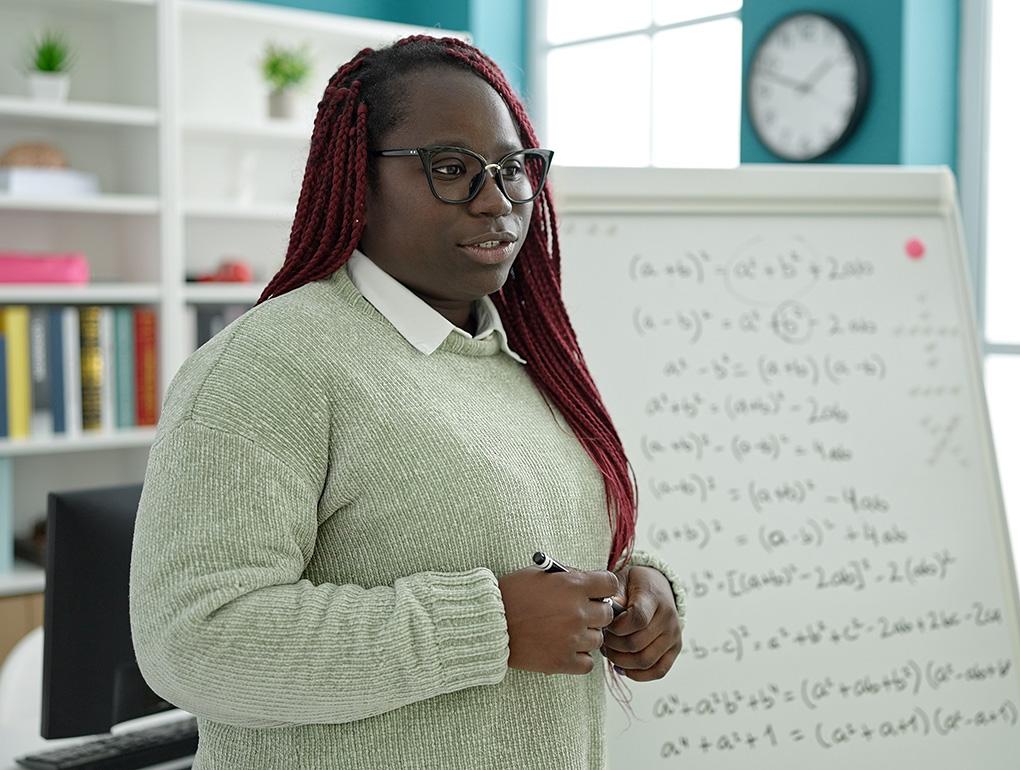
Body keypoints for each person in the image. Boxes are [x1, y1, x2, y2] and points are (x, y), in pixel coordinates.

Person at [129, 35, 687, 770]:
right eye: (451, 170)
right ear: (356, 181)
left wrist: (640, 587)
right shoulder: (267, 367)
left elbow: (532, 540)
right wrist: (488, 627)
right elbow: (191, 641)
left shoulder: (523, 359)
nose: (497, 201)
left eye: (514, 169)